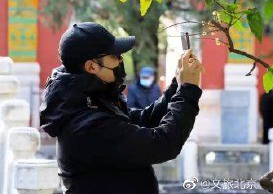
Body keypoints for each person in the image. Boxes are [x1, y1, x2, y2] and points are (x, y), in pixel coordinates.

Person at [39, 22, 203, 194]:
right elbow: (163, 143)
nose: (120, 60)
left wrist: (177, 85)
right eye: (115, 56)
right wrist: (188, 91)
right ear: (91, 66)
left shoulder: (88, 98)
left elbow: (142, 120)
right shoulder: (87, 124)